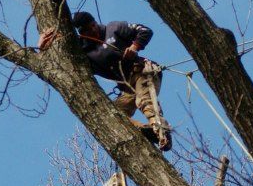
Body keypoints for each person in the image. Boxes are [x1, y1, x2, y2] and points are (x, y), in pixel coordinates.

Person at [38, 11, 172, 151]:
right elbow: (60, 64)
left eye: (93, 25)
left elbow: (145, 30)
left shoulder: (113, 28)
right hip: (126, 87)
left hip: (142, 72)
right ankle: (148, 133)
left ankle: (162, 131)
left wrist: (135, 46)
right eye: (88, 30)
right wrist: (43, 49)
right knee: (113, 116)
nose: (93, 30)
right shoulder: (83, 52)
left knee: (144, 100)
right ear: (81, 33)